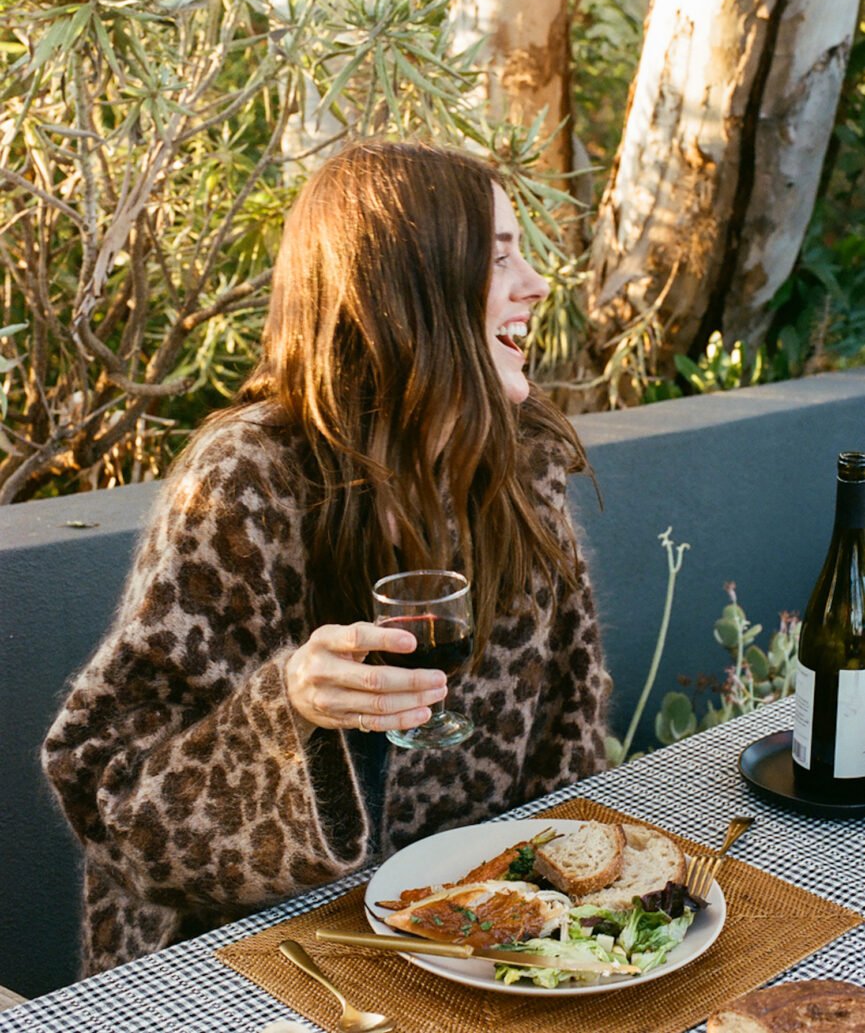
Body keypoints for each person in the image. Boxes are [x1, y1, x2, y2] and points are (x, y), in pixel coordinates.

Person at [42, 139, 609, 976]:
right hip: (259, 964)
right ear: (405, 290)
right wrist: (288, 710)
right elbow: (106, 789)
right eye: (498, 259)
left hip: (475, 945)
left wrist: (561, 922)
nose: (534, 283)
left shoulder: (518, 461)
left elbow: (569, 728)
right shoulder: (247, 478)